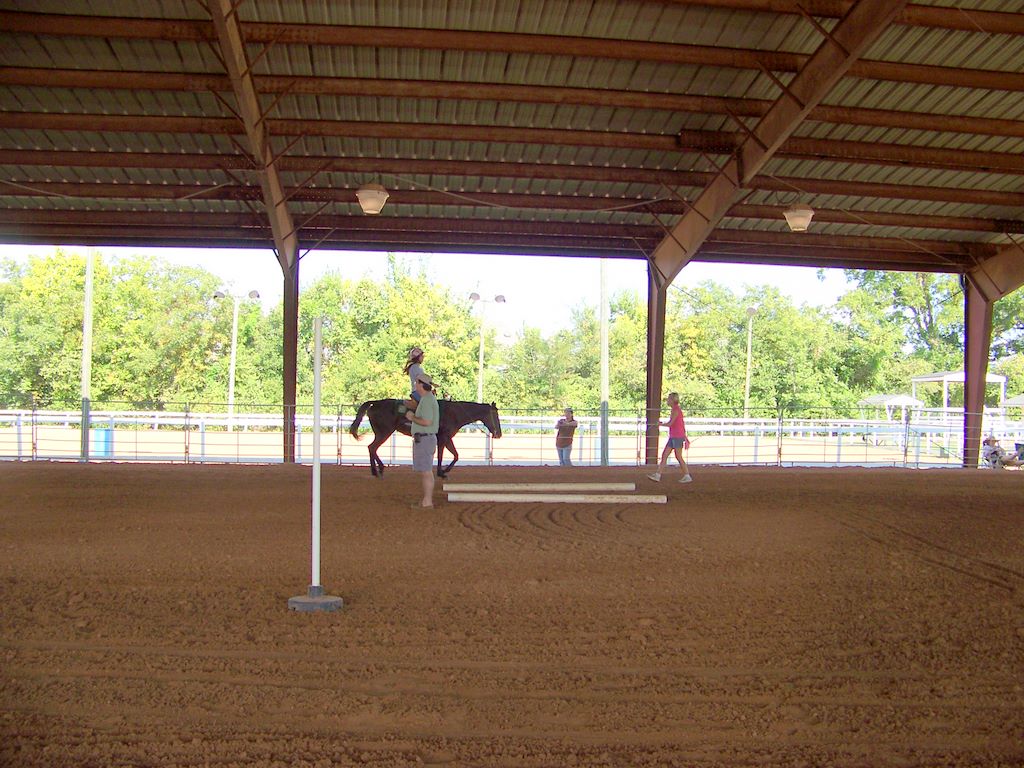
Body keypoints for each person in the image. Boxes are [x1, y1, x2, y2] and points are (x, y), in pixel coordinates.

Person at [405, 373, 440, 507]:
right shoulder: (428, 399)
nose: (415, 385)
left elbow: (426, 421)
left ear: (421, 385)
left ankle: (427, 501)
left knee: (426, 471)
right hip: (426, 439)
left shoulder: (427, 400)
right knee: (426, 470)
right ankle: (426, 501)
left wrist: (412, 417)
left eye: (417, 383)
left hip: (425, 439)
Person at [647, 391, 692, 483]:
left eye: (668, 399)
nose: (667, 400)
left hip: (677, 436)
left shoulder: (675, 410)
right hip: (675, 436)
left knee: (678, 456)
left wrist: (660, 424)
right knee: (665, 455)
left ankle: (687, 475)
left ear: (672, 400)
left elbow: (671, 424)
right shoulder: (675, 409)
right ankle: (658, 475)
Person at [402, 347, 425, 412]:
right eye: (422, 356)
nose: (423, 358)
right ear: (417, 357)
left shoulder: (416, 367)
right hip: (418, 392)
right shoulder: (415, 367)